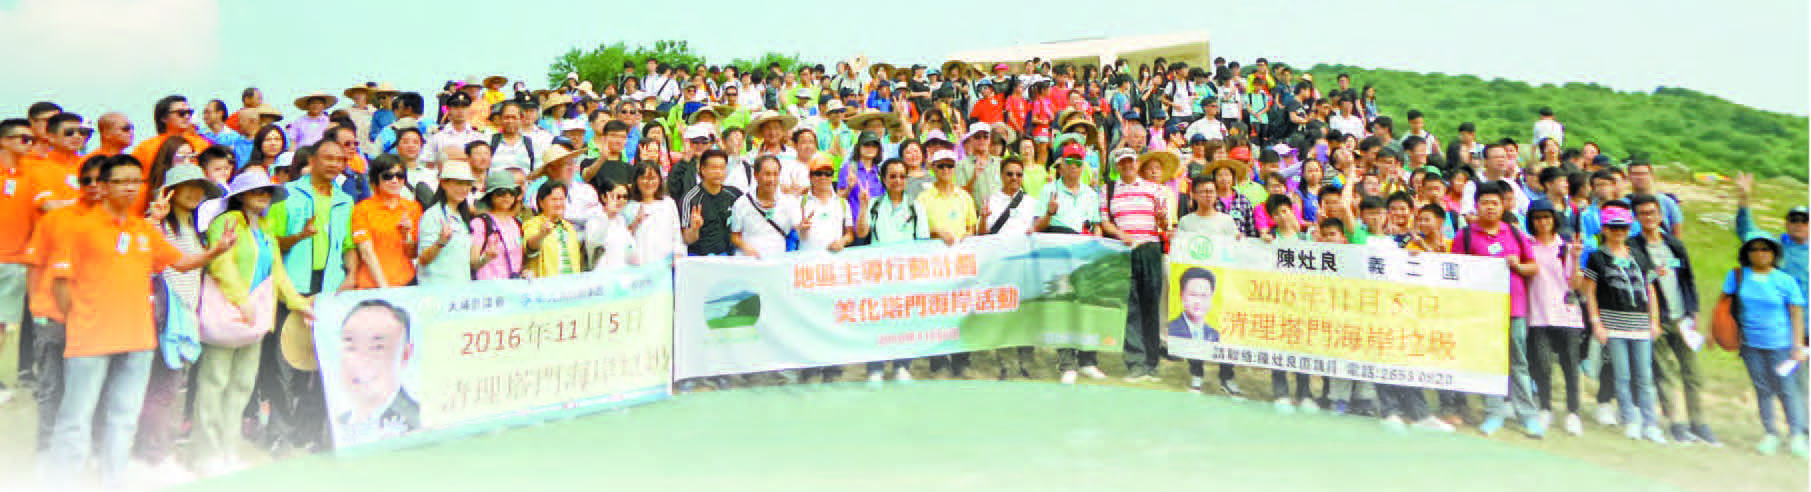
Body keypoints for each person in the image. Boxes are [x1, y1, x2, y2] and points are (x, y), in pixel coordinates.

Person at [39, 155, 236, 489]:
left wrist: (216, 250)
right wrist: (79, 320)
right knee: (76, 418)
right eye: (121, 181)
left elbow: (182, 263)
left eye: (136, 181)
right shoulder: (77, 228)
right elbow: (60, 283)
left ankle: (112, 481)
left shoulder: (142, 229)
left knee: (124, 418)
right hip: (90, 339)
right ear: (103, 186)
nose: (130, 188)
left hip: (138, 340)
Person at [195, 167, 312, 475]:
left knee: (243, 384)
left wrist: (298, 303)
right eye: (256, 191)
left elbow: (278, 273)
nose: (263, 196)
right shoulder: (226, 222)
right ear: (241, 195)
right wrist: (241, 300)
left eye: (267, 192)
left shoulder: (265, 227)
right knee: (214, 382)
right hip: (228, 314)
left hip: (256, 316)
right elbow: (220, 264)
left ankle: (228, 447)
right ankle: (206, 452)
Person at [258, 138, 355, 452]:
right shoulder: (286, 195)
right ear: (311, 161)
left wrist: (351, 275)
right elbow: (271, 242)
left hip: (328, 292)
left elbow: (349, 245)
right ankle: (279, 434)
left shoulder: (345, 200)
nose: (334, 164)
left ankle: (308, 431)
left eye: (339, 159)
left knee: (322, 364)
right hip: (292, 289)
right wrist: (300, 236)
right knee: (284, 364)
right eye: (328, 158)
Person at [1451, 181, 1542, 437]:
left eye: (1495, 203)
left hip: (1514, 307)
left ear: (1503, 206)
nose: (1490, 207)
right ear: (1476, 206)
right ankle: (1493, 414)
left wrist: (1518, 266)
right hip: (1483, 310)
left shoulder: (1514, 233)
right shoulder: (1465, 235)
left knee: (1519, 362)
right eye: (1485, 203)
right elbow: (1453, 270)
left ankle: (1528, 416)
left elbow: (1533, 267)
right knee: (1490, 362)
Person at [1626, 193, 1713, 444]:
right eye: (1643, 214)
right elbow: (1636, 280)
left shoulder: (1674, 244)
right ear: (1636, 218)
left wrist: (1694, 311)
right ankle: (1677, 423)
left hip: (1681, 318)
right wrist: (1653, 275)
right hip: (1656, 319)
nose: (1648, 218)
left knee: (1692, 373)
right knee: (1665, 373)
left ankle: (1699, 423)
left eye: (1652, 213)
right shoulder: (1633, 247)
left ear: (1660, 215)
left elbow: (1688, 279)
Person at [1582, 203, 1666, 444]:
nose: (1618, 232)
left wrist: (1654, 320)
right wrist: (1596, 323)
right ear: (1605, 229)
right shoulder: (1597, 258)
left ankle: (1650, 424)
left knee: (1644, 377)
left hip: (1640, 324)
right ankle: (1631, 420)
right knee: (1622, 375)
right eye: (1613, 227)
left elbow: (1650, 289)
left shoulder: (1638, 255)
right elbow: (1590, 293)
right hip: (1614, 325)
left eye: (1623, 228)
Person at [1723, 232, 1809, 456]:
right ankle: (1771, 433)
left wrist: (1797, 345)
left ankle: (1797, 436)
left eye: (1765, 249)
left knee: (1787, 389)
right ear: (1747, 253)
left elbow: (1796, 313)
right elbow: (1725, 305)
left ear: (1774, 253)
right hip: (1751, 344)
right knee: (1763, 389)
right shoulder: (1738, 276)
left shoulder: (1785, 280)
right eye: (1754, 249)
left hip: (1780, 345)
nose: (1760, 253)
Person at [853, 159, 932, 383]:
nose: (898, 180)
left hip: (906, 275)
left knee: (904, 322)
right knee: (878, 321)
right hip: (879, 274)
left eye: (902, 176)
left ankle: (902, 366)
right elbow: (862, 233)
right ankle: (875, 369)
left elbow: (923, 242)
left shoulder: (916, 207)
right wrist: (863, 207)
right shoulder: (874, 205)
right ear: (884, 179)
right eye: (893, 176)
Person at [1037, 149, 1109, 385]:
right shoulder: (1049, 190)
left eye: (1078, 162)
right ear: (1061, 165)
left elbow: (1096, 224)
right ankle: (1067, 362)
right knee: (1063, 306)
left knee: (1087, 306)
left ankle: (1088, 360)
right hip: (1058, 250)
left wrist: (1097, 239)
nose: (1074, 166)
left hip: (1084, 251)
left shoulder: (1090, 193)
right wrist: (1050, 213)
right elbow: (1037, 225)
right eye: (1069, 162)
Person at [1100, 148, 1169, 384]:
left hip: (1150, 249)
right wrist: (1121, 235)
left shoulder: (1154, 188)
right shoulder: (1108, 189)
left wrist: (1162, 219)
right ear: (1117, 166)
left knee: (1151, 306)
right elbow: (1105, 222)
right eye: (1123, 163)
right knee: (1131, 307)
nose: (1127, 166)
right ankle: (1135, 362)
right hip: (1124, 251)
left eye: (1131, 162)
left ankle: (1151, 362)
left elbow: (1163, 223)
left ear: (1137, 164)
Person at [1522, 200, 1587, 436]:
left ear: (1554, 219)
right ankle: (1545, 408)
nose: (1542, 222)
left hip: (1566, 315)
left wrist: (1576, 258)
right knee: (1541, 366)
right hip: (1538, 315)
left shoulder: (1565, 248)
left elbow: (1576, 284)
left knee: (1570, 366)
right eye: (1537, 218)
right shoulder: (1527, 246)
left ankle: (1573, 412)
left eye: (1547, 217)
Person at [331, 299, 421, 447]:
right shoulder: (334, 425)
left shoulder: (424, 421)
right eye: (350, 347)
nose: (361, 360)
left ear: (405, 354)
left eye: (377, 347)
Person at [982, 156, 1040, 380]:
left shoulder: (1031, 202)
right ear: (1001, 175)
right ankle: (1005, 362)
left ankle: (1026, 361)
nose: (1014, 178)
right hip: (1000, 265)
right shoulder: (992, 200)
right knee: (1003, 314)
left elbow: (1038, 230)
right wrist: (982, 218)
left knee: (1025, 314)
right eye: (1009, 174)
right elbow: (983, 234)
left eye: (1018, 174)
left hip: (1024, 265)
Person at [348, 158, 423, 289]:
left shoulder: (413, 208)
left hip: (406, 280)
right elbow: (366, 252)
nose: (395, 180)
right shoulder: (362, 209)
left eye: (399, 175)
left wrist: (406, 235)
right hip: (372, 285)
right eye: (387, 176)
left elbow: (413, 254)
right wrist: (384, 288)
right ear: (376, 180)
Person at [416, 164, 478, 285]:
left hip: (461, 286)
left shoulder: (463, 216)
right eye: (459, 183)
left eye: (467, 184)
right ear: (443, 183)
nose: (464, 189)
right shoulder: (432, 215)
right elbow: (423, 259)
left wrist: (486, 257)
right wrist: (440, 243)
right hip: (436, 287)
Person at [729, 155, 798, 260]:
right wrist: (746, 248)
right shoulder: (742, 203)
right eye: (767, 174)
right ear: (756, 175)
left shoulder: (788, 202)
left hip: (778, 260)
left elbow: (797, 229)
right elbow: (735, 236)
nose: (771, 179)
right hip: (748, 260)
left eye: (775, 174)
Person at [681, 150, 742, 257]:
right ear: (703, 169)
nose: (718, 172)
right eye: (714, 168)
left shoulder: (734, 195)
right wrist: (695, 228)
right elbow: (687, 239)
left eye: (722, 168)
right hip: (698, 256)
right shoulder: (691, 198)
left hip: (727, 256)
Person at [623, 161, 685, 266]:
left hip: (665, 264)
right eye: (644, 178)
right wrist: (636, 222)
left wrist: (678, 255)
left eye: (652, 178)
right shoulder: (629, 206)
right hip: (639, 264)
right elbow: (622, 238)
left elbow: (676, 234)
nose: (649, 183)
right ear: (636, 180)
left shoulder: (668, 203)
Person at [471, 169, 527, 281]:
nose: (507, 196)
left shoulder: (517, 223)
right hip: (489, 287)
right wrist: (486, 258)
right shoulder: (480, 223)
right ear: (490, 196)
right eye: (501, 193)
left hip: (513, 287)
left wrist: (526, 271)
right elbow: (473, 262)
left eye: (512, 192)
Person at [521, 181, 584, 278]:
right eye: (554, 200)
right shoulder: (533, 224)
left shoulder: (569, 227)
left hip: (571, 284)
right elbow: (530, 249)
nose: (558, 203)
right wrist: (541, 235)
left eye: (561, 199)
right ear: (541, 203)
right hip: (547, 284)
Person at [584, 180, 636, 270]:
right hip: (602, 274)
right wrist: (607, 215)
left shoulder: (621, 220)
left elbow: (630, 248)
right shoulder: (594, 219)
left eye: (625, 197)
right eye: (617, 197)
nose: (621, 200)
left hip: (622, 273)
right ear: (604, 197)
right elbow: (594, 241)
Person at [1169, 267, 1219, 341]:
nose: (1198, 301)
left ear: (1211, 298)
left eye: (1204, 295)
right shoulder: (1169, 330)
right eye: (1193, 295)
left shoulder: (1214, 334)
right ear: (1181, 295)